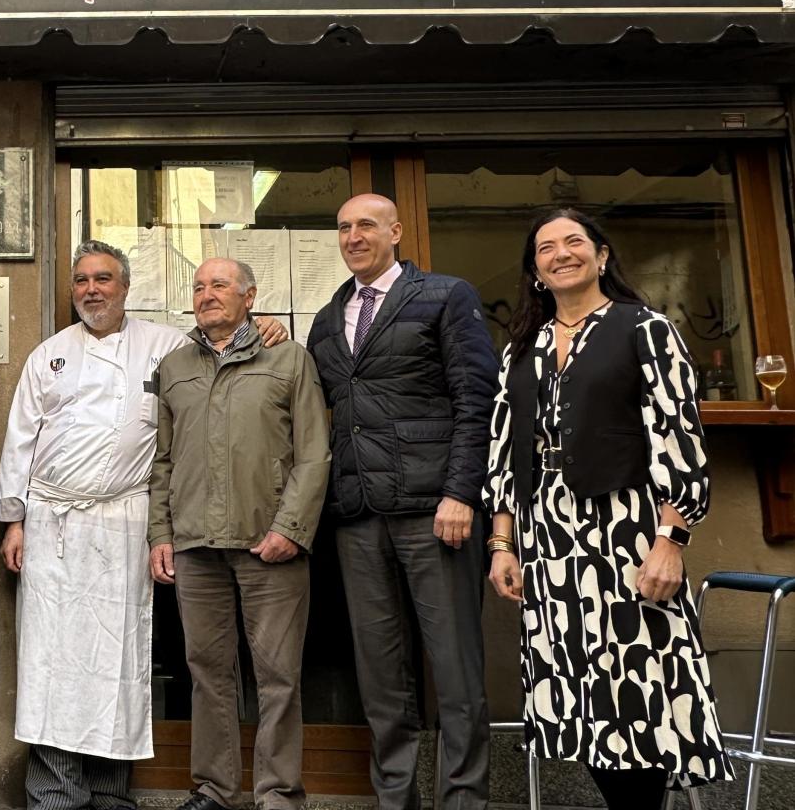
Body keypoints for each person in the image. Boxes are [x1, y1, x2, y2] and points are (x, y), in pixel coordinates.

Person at [0, 240, 285, 810]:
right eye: (81, 280)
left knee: (119, 658)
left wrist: (264, 325)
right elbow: (19, 440)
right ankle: (54, 791)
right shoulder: (47, 355)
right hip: (53, 522)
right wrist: (13, 519)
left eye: (103, 278)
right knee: (51, 663)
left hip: (128, 518)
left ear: (126, 287)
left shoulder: (167, 346)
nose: (91, 289)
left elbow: (224, 352)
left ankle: (109, 792)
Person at [484, 208, 730, 810]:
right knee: (577, 696)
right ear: (536, 270)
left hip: (626, 533)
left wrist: (672, 540)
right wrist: (502, 543)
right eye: (546, 247)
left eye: (574, 242)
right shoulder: (523, 347)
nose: (560, 253)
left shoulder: (644, 328)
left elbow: (679, 437)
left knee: (635, 693)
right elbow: (503, 448)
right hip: (548, 539)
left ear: (601, 256)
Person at [305, 194, 498, 810]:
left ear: (396, 230)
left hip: (433, 511)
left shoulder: (446, 295)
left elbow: (478, 402)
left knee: (455, 668)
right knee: (380, 673)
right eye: (343, 227)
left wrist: (461, 493)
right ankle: (396, 799)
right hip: (359, 515)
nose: (354, 236)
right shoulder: (329, 315)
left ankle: (463, 799)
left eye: (366, 225)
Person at [148, 258, 329, 810]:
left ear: (249, 296)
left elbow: (314, 453)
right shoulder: (175, 366)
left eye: (219, 285)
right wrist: (162, 533)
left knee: (278, 677)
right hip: (195, 546)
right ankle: (215, 791)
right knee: (207, 672)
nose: (207, 295)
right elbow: (162, 460)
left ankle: (278, 794)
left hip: (267, 543)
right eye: (199, 287)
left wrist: (291, 529)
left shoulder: (289, 358)